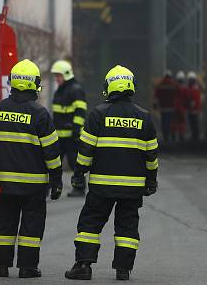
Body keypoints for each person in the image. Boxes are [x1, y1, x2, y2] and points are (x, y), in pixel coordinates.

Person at [64, 65, 159, 281]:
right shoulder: (144, 117)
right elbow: (151, 157)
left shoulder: (98, 114)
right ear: (131, 86)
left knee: (90, 223)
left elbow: (86, 150)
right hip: (132, 188)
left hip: (101, 186)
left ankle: (83, 266)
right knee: (127, 226)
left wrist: (79, 175)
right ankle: (123, 270)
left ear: (109, 87)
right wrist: (151, 181)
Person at [0, 59, 63, 279]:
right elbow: (52, 153)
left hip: (3, 183)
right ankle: (28, 268)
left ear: (13, 82)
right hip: (34, 185)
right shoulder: (40, 114)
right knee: (32, 226)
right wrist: (56, 180)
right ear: (34, 84)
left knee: (4, 223)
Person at [50, 60, 88, 197]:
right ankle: (49, 188)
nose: (56, 79)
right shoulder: (60, 91)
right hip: (59, 136)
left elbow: (81, 111)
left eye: (58, 76)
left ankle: (79, 188)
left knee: (75, 163)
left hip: (72, 135)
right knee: (53, 163)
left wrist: (76, 129)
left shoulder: (75, 90)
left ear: (66, 74)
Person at [153, 70, 176, 141]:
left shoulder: (160, 84)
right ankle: (172, 136)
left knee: (164, 122)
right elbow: (177, 95)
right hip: (172, 107)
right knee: (171, 122)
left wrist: (155, 104)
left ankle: (166, 137)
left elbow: (155, 95)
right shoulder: (173, 84)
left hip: (163, 107)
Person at [171, 71, 188, 142]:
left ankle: (173, 135)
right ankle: (181, 135)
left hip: (174, 106)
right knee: (182, 121)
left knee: (174, 121)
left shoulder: (174, 87)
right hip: (181, 107)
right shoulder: (185, 88)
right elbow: (187, 98)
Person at [186, 71, 202, 142]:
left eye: (190, 80)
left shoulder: (193, 88)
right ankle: (195, 136)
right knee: (193, 123)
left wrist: (191, 105)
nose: (189, 81)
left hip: (193, 109)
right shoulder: (193, 87)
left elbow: (194, 99)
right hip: (194, 109)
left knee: (194, 123)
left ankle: (195, 136)